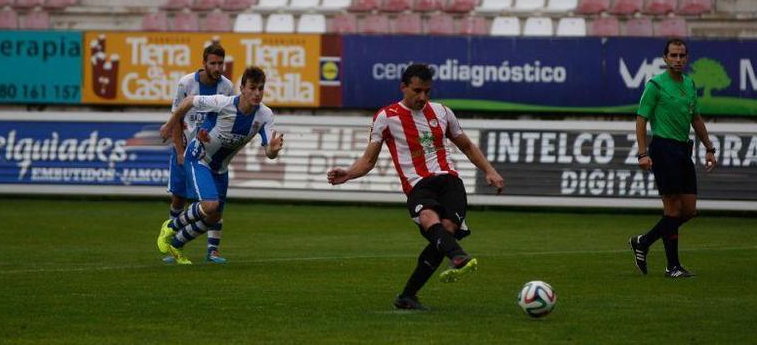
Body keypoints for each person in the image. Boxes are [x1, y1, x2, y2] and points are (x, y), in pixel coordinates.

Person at [327, 63, 505, 310]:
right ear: (403, 87)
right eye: (417, 90)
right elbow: (368, 160)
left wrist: (489, 170)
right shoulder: (386, 117)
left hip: (449, 181)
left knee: (447, 229)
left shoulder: (442, 113)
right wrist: (348, 174)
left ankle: (408, 296)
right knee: (428, 217)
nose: (422, 97)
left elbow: (466, 146)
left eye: (427, 91)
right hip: (418, 184)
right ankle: (457, 256)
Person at [157, 66, 284, 265]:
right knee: (210, 205)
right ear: (242, 88)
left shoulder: (265, 115)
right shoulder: (223, 103)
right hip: (198, 158)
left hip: (220, 168)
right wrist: (170, 123)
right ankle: (171, 226)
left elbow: (268, 152)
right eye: (252, 88)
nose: (257, 93)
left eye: (261, 88)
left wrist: (274, 150)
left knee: (213, 217)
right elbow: (189, 101)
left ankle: (176, 244)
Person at [630, 38, 717, 278]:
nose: (678, 60)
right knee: (672, 209)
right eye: (673, 56)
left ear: (686, 58)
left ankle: (644, 242)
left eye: (682, 56)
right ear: (665, 58)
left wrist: (709, 147)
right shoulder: (655, 85)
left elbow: (696, 119)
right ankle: (672, 266)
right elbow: (641, 119)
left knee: (688, 211)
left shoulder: (689, 84)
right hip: (663, 150)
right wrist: (642, 152)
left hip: (683, 151)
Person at [163, 43, 235, 264]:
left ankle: (212, 251)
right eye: (213, 63)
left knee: (215, 201)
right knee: (179, 198)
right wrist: (180, 150)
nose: (217, 67)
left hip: (211, 153)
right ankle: (172, 247)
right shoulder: (186, 83)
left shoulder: (227, 87)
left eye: (220, 63)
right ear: (203, 63)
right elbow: (176, 117)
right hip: (185, 149)